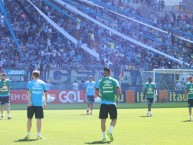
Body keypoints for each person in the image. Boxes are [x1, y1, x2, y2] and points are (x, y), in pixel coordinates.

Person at [95, 67, 121, 142]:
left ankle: (104, 137)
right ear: (110, 73)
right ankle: (110, 130)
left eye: (103, 72)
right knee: (114, 119)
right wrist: (116, 98)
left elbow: (96, 93)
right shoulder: (114, 81)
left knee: (103, 120)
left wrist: (101, 97)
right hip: (112, 103)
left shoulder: (100, 81)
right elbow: (119, 91)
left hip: (103, 103)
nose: (103, 73)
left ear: (105, 73)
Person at [24, 70, 47, 140]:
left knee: (29, 119)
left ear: (33, 75)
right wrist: (45, 102)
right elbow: (46, 94)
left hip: (31, 105)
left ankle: (28, 134)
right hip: (39, 105)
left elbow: (27, 93)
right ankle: (38, 135)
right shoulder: (43, 83)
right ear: (39, 75)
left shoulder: (30, 83)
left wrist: (29, 101)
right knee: (39, 120)